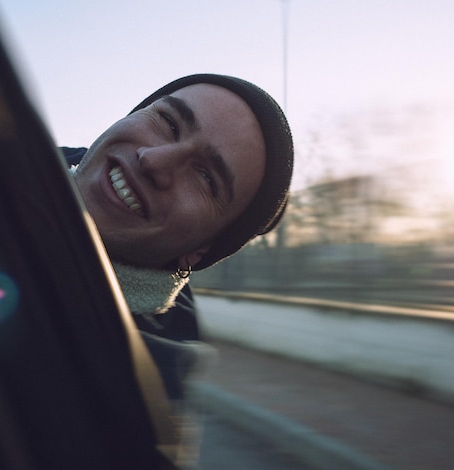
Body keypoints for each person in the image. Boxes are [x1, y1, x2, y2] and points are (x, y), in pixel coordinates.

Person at [63, 74, 294, 463]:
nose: (153, 160)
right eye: (167, 123)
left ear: (198, 252)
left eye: (206, 177)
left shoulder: (136, 414)